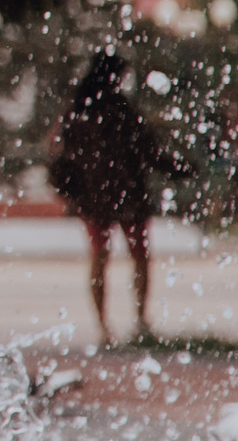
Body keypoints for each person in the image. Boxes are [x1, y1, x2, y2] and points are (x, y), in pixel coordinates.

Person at [49, 52, 185, 343]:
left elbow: (60, 153)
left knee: (99, 259)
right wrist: (178, 168)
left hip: (93, 197)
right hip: (129, 195)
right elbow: (149, 151)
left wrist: (72, 190)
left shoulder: (78, 109)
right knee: (139, 258)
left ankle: (103, 327)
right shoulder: (122, 110)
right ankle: (140, 322)